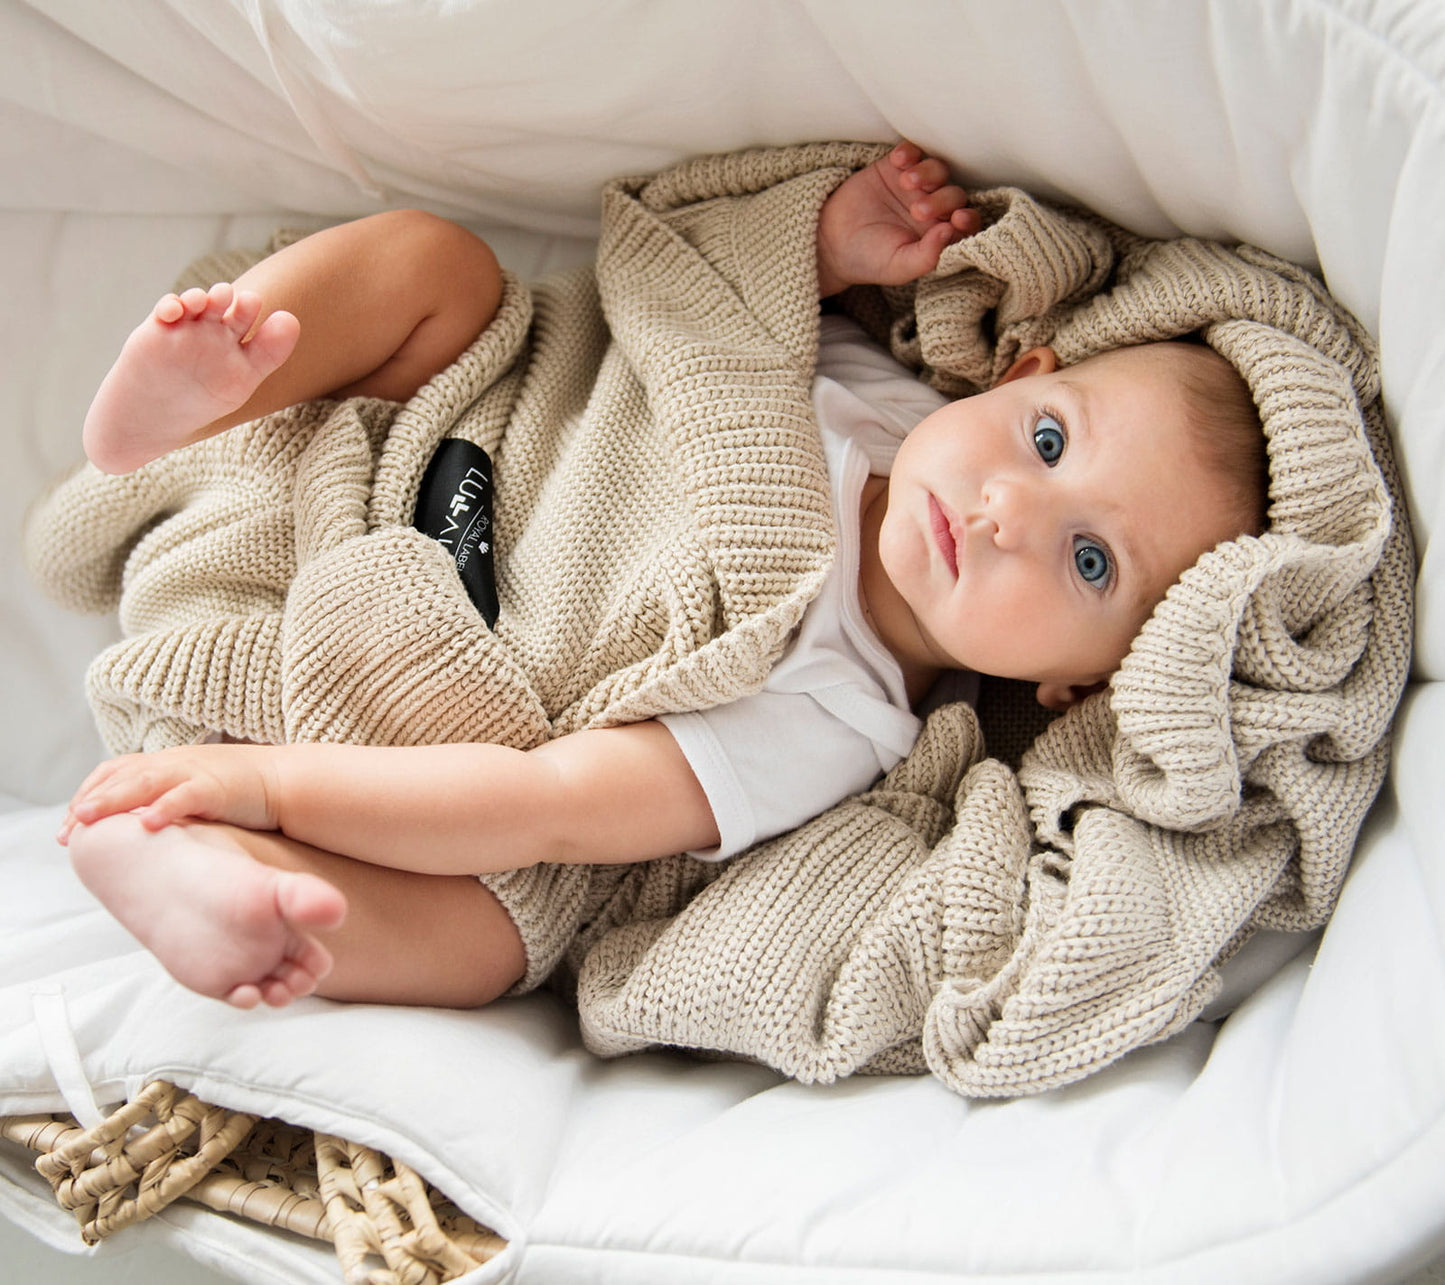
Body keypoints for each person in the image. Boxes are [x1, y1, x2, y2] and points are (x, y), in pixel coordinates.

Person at [55, 144, 1267, 1013]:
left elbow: (552, 804)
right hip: (407, 432)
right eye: (1048, 441)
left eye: (1088, 560)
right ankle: (209, 384)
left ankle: (206, 867)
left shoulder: (836, 715)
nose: (1011, 511)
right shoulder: (882, 389)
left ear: (1072, 686)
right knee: (446, 267)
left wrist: (271, 783)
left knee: (491, 933)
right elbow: (695, 296)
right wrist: (826, 238)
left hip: (332, 692)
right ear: (1016, 374)